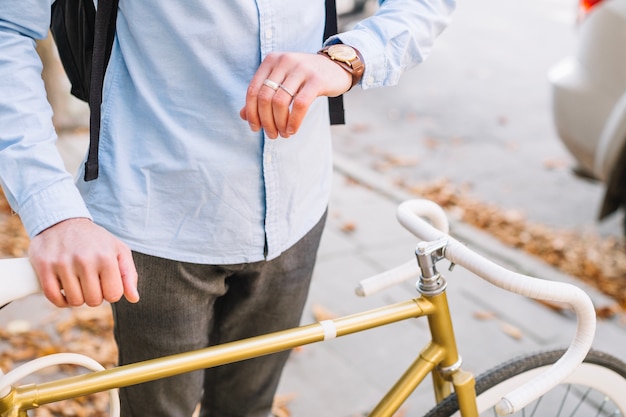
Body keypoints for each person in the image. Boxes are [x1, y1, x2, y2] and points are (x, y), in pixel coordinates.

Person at [0, 1, 455, 416]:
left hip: (299, 205)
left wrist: (352, 56)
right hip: (157, 219)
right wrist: (53, 212)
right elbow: (7, 25)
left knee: (249, 408)